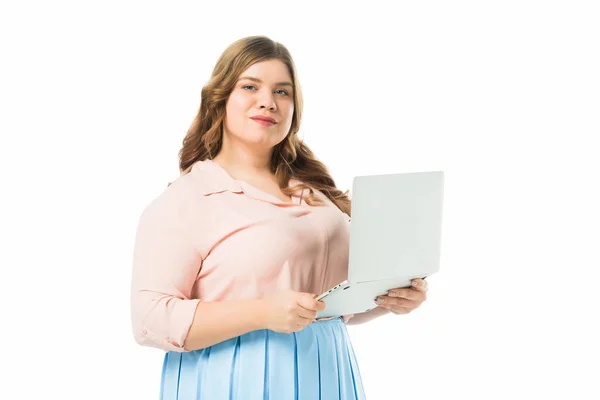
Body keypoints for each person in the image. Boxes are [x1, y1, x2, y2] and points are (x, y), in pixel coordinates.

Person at [130, 35, 428, 400]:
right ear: (220, 98)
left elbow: (328, 306)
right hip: (234, 381)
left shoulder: (317, 194)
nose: (267, 102)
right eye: (250, 86)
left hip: (329, 373)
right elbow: (149, 320)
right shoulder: (188, 200)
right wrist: (260, 313)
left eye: (282, 92)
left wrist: (388, 298)